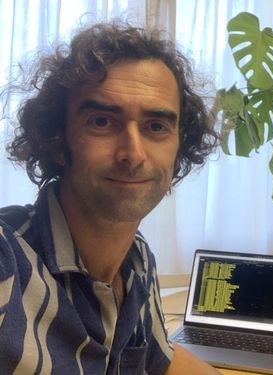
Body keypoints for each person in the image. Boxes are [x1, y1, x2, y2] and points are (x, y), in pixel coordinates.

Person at [0, 22, 222, 374]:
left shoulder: (137, 261)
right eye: (102, 121)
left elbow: (162, 360)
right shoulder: (8, 263)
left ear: (179, 150)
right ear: (58, 139)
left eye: (156, 126)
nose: (133, 154)